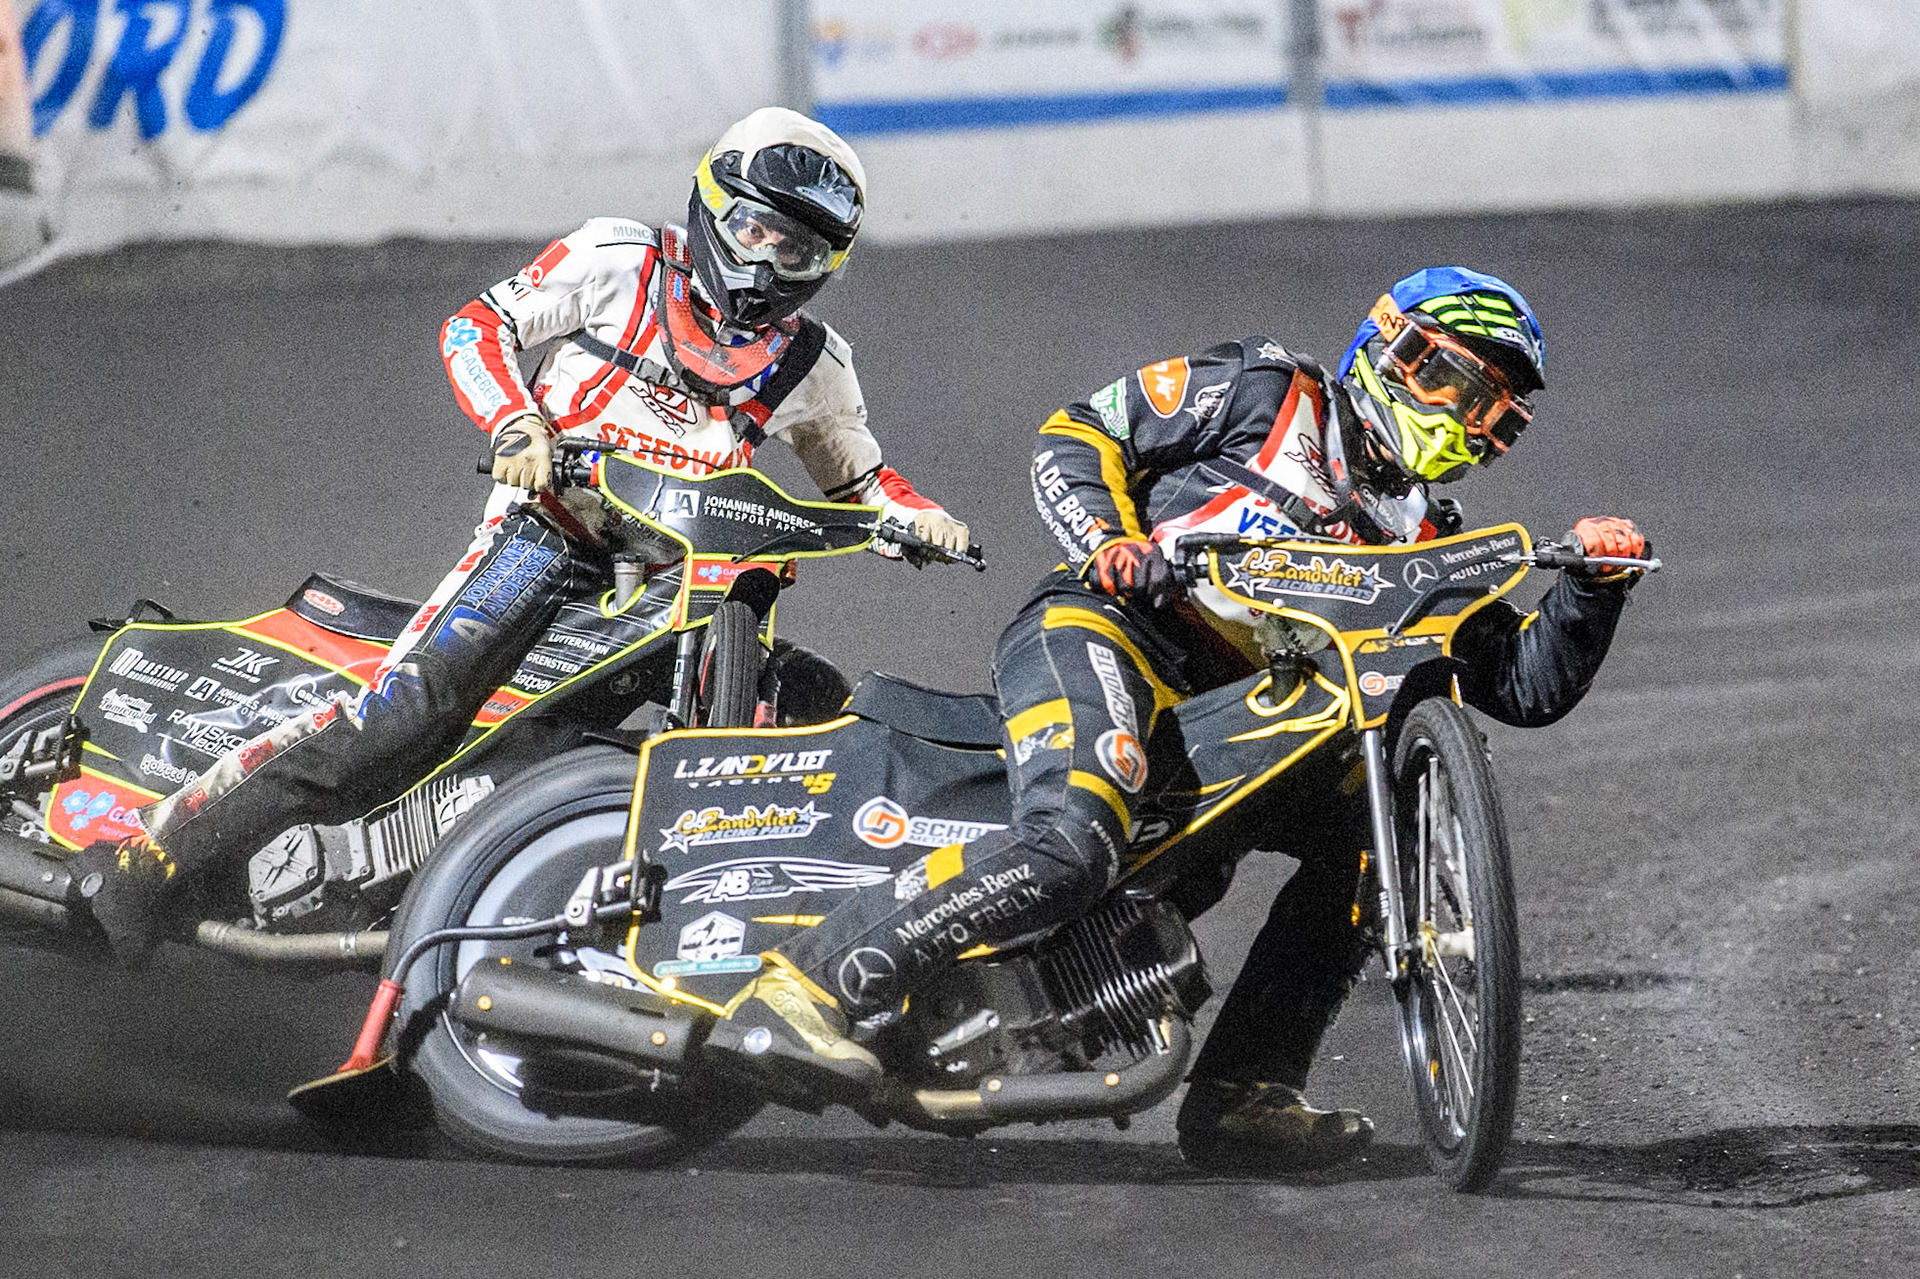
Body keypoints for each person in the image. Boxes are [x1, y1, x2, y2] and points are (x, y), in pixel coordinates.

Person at [720, 267, 1650, 1169]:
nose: (1464, 418)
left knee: (1379, 832)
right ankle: (804, 984)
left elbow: (1522, 685)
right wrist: (1113, 542)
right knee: (1070, 837)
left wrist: (1593, 592)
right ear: (1388, 349)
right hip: (1107, 628)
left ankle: (1244, 1093)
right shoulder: (1264, 392)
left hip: (1231, 717)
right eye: (1452, 381)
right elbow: (1077, 432)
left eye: (1496, 414)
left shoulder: (1425, 538)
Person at [73, 107, 969, 965]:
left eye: (801, 248)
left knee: (807, 695)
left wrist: (919, 518)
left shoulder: (817, 363)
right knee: (400, 717)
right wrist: (516, 424)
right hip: (545, 536)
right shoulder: (618, 260)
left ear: (827, 265)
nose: (771, 260)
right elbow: (478, 324)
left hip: (674, 579)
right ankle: (148, 865)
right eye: (757, 229)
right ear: (710, 206)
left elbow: (859, 481)